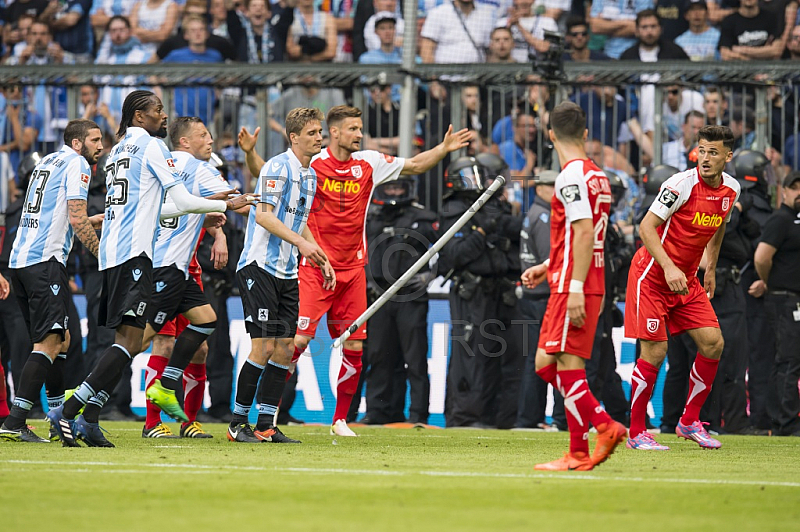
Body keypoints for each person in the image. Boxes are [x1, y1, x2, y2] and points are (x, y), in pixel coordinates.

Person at [238, 105, 471, 436]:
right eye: (353, 129)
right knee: (296, 342)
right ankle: (270, 415)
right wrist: (250, 156)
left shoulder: (370, 162)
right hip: (315, 266)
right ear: (334, 132)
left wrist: (444, 149)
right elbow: (267, 175)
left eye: (360, 129)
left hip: (353, 271)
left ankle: (339, 420)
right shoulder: (312, 164)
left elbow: (416, 165)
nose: (360, 134)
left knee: (355, 347)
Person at [47, 91, 254, 447]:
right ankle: (70, 408)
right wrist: (227, 202)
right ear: (138, 117)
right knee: (130, 344)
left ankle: (94, 416)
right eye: (157, 110)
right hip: (137, 256)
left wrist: (206, 212)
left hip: (118, 253)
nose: (163, 115)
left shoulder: (116, 154)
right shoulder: (154, 148)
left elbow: (162, 208)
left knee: (198, 321)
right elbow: (184, 200)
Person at [521, 101, 626, 471]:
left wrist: (575, 285)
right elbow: (588, 236)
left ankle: (605, 425)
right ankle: (577, 452)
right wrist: (547, 265)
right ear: (585, 134)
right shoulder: (598, 176)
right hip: (580, 277)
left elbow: (583, 233)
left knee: (553, 365)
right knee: (562, 366)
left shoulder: (569, 177)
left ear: (550, 135)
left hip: (574, 285)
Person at [625, 125, 741, 451]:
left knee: (713, 343)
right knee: (656, 352)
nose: (705, 158)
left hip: (687, 280)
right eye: (702, 150)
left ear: (728, 157)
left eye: (713, 152)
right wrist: (669, 266)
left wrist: (712, 268)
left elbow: (718, 228)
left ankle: (689, 422)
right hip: (652, 276)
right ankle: (635, 432)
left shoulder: (731, 190)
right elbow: (646, 227)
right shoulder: (679, 185)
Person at [227, 107, 334, 444]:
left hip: (288, 273)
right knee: (263, 347)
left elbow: (298, 223)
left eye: (320, 132)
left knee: (286, 349)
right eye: (314, 132)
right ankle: (237, 424)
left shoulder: (311, 175)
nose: (321, 137)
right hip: (259, 267)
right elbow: (263, 216)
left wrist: (320, 256)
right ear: (295, 137)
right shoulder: (276, 167)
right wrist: (302, 243)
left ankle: (265, 425)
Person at [140, 116, 250, 439]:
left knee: (200, 346)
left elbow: (198, 206)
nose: (211, 139)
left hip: (187, 267)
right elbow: (232, 201)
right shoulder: (193, 168)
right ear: (184, 141)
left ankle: (189, 421)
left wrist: (218, 233)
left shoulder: (168, 168)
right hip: (163, 265)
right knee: (157, 340)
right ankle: (149, 423)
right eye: (203, 135)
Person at [0, 119, 104, 443]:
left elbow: (60, 212)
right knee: (47, 343)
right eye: (95, 140)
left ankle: (57, 417)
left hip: (21, 261)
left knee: (63, 338)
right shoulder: (78, 164)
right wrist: (104, 256)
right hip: (45, 262)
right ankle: (16, 421)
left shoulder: (47, 160)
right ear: (77, 143)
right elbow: (75, 214)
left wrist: (85, 222)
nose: (100, 146)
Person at [440, 154, 524, 430]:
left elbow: (514, 230)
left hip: (499, 292)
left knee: (500, 357)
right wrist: (481, 232)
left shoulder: (493, 206)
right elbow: (454, 255)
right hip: (470, 292)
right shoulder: (453, 210)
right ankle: (464, 416)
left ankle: (495, 416)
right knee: (470, 356)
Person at [362, 178, 436, 425]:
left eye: (398, 188)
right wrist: (367, 280)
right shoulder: (370, 218)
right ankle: (378, 412)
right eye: (389, 188)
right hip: (378, 296)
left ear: (408, 189)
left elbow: (445, 248)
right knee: (379, 356)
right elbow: (359, 251)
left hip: (411, 296)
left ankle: (418, 415)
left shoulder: (423, 218)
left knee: (415, 359)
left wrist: (430, 274)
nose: (394, 193)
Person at [752, 171, 800, 436]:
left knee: (790, 360)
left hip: (792, 298)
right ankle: (785, 424)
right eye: (794, 188)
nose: (799, 192)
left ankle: (784, 419)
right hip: (784, 299)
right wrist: (770, 281)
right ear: (783, 191)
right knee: (789, 360)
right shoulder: (781, 219)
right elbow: (762, 257)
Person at [516, 170, 563, 429]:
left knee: (536, 357)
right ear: (541, 188)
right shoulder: (545, 217)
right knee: (548, 357)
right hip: (543, 296)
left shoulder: (534, 213)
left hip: (533, 297)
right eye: (553, 186)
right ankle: (537, 417)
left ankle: (529, 416)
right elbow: (550, 261)